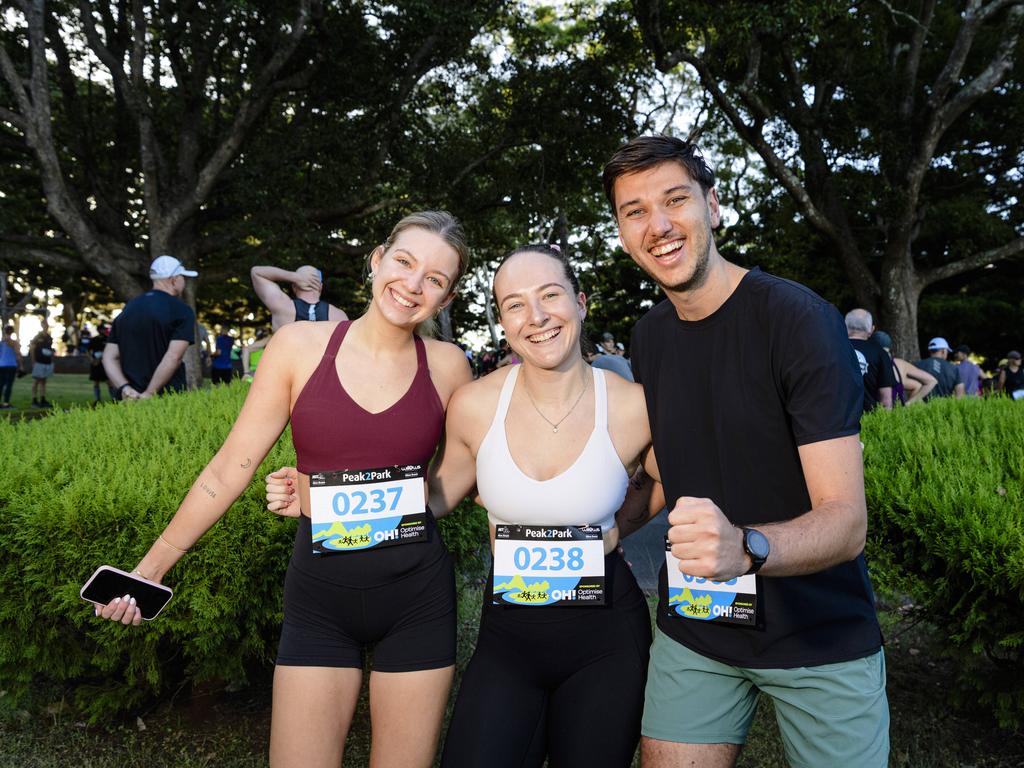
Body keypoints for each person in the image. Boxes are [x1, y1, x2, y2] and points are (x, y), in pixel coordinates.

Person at [95, 211, 472, 768]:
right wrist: (147, 571)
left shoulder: (449, 367)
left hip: (418, 599)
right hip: (320, 602)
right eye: (404, 262)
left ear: (444, 299)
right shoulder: (298, 346)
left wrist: (322, 497)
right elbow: (229, 469)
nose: (413, 284)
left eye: (435, 279)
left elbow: (445, 487)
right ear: (376, 259)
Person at [268, 244, 656, 767]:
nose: (536, 316)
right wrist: (324, 500)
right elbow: (434, 496)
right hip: (510, 641)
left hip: (607, 638)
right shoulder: (476, 405)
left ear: (581, 303)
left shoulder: (633, 406)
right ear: (502, 322)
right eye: (515, 304)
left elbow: (672, 482)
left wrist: (616, 532)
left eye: (550, 295)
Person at [603, 135, 887, 767]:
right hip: (697, 627)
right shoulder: (647, 337)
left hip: (820, 633)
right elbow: (667, 470)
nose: (660, 225)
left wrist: (747, 547)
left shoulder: (800, 320)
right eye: (635, 211)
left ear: (713, 205)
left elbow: (846, 521)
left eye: (676, 200)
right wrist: (601, 531)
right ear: (622, 231)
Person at [103, 256, 198, 400]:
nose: (184, 281)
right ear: (174, 280)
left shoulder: (129, 308)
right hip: (167, 398)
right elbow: (174, 357)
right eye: (182, 277)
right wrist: (149, 393)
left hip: (128, 400)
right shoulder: (182, 311)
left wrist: (125, 388)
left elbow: (109, 357)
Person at [250, 263, 348, 331]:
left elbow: (256, 272)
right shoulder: (338, 316)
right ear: (321, 287)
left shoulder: (283, 307)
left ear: (294, 287)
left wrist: (294, 277)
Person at [845, 308, 895, 412]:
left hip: (835, 422)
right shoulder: (881, 353)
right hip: (869, 420)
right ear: (871, 330)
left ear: (845, 327)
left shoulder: (832, 350)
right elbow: (886, 400)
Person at [871, 331, 936, 405]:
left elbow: (930, 381)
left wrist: (908, 404)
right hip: (895, 415)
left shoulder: (866, 364)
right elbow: (929, 381)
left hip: (873, 414)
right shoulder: (899, 365)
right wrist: (908, 404)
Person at [30, 328, 55, 408]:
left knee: (44, 381)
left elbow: (50, 349)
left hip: (46, 362)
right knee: (37, 380)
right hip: (39, 362)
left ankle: (43, 399)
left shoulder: (49, 337)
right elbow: (32, 348)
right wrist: (33, 361)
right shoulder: (37, 336)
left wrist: (51, 359)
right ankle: (34, 400)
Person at [86, 326, 110, 404]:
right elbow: (88, 351)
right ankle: (97, 399)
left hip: (105, 363)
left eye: (104, 330)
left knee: (109, 381)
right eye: (101, 330)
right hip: (95, 363)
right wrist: (91, 360)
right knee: (96, 381)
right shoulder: (94, 339)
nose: (102, 331)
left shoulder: (108, 339)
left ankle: (114, 398)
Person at [0, 325, 22, 409]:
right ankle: (6, 403)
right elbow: (18, 354)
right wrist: (21, 366)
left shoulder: (1, 342)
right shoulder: (14, 342)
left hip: (2, 365)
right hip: (11, 365)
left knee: (1, 385)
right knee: (8, 385)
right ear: (12, 332)